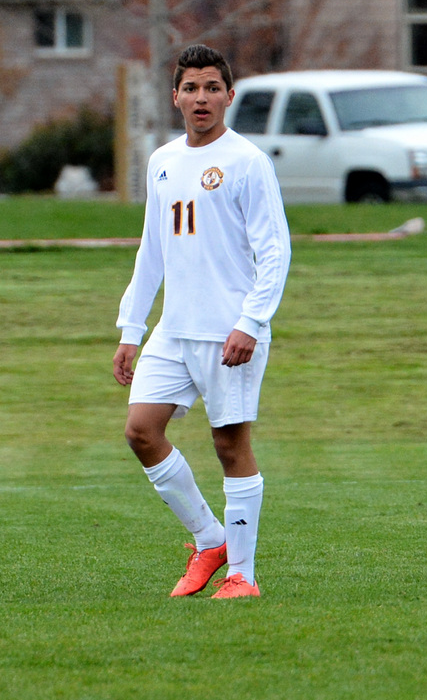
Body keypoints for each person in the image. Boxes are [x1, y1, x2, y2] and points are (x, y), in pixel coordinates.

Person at [112, 44, 291, 599]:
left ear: (230, 97)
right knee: (141, 431)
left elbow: (276, 251)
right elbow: (151, 252)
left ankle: (243, 576)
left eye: (212, 87)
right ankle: (209, 540)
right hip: (174, 330)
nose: (201, 98)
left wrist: (252, 323)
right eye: (191, 88)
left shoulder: (247, 162)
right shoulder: (163, 160)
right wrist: (131, 329)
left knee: (229, 444)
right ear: (176, 98)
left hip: (228, 333)